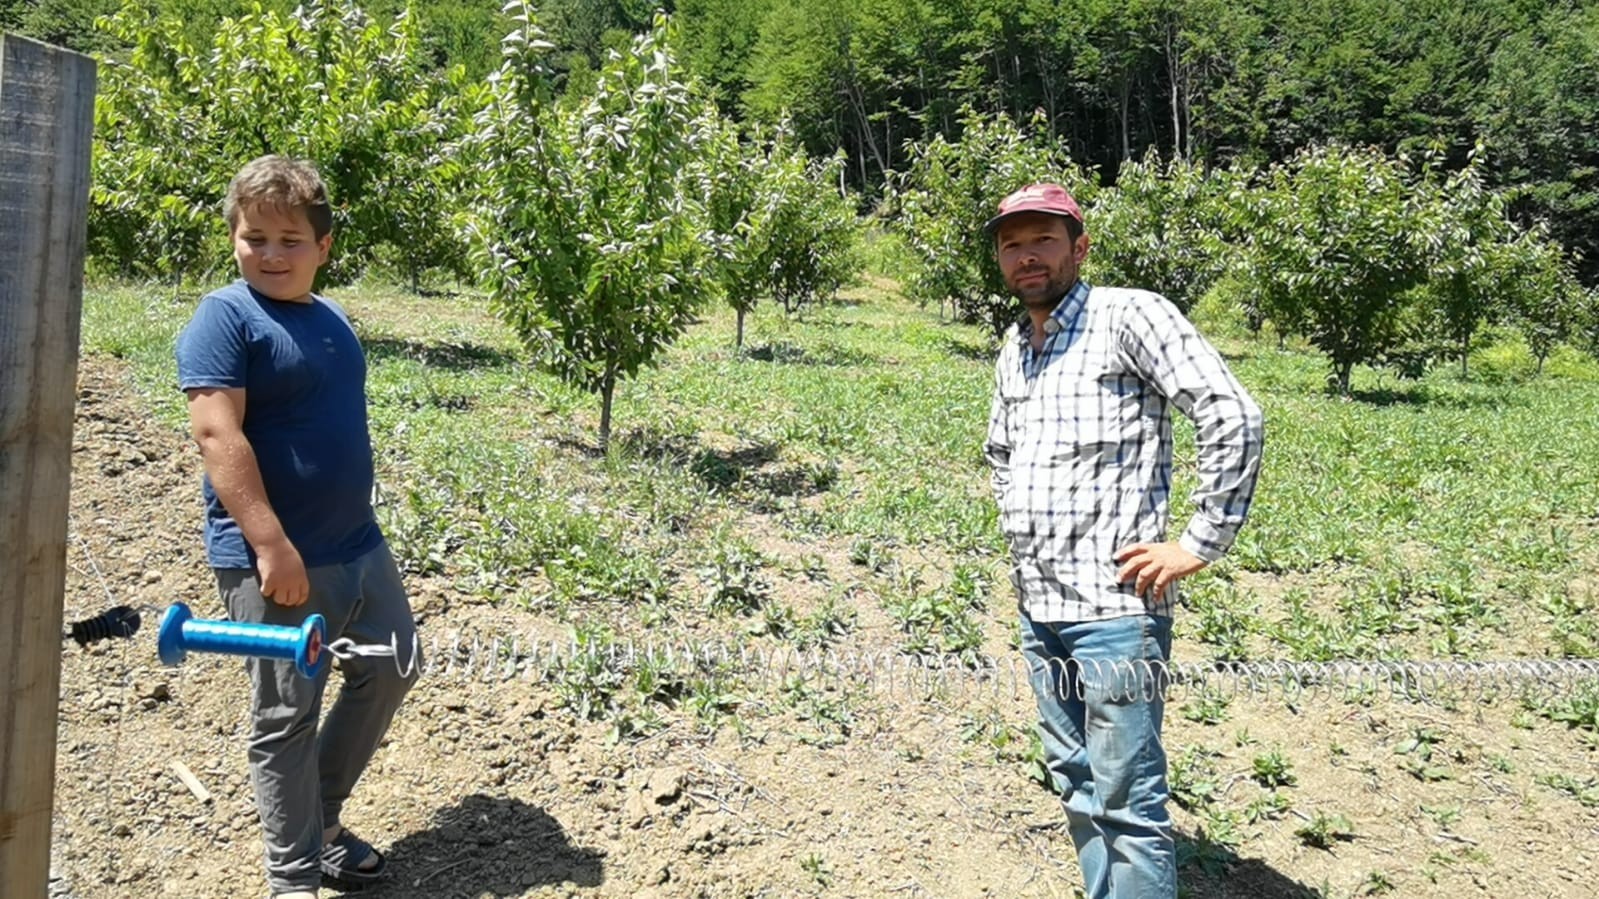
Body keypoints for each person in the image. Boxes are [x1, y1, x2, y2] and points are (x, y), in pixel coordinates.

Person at [982, 183, 1264, 898]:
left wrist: (1199, 540)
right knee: (1074, 778)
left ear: (1078, 246)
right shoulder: (1016, 346)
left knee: (1128, 802)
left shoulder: (1127, 316)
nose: (1027, 258)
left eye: (1043, 240)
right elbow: (1000, 452)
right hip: (1039, 605)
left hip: (1115, 609)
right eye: (1012, 245)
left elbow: (1230, 412)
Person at [175, 156, 419, 899]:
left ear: (323, 246)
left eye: (289, 239)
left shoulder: (332, 316)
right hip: (275, 557)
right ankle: (293, 877)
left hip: (356, 543)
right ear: (233, 239)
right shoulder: (226, 316)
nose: (271, 254)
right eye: (255, 238)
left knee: (392, 663)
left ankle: (322, 823)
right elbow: (218, 433)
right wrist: (270, 543)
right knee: (286, 713)